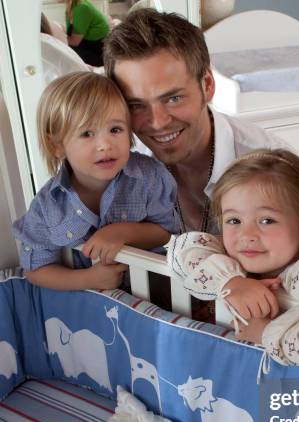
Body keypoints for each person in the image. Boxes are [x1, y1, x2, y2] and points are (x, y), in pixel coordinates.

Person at [167, 149, 299, 374]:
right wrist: (230, 282)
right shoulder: (227, 255)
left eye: (266, 220)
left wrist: (265, 333)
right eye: (234, 220)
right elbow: (180, 249)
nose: (247, 235)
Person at [103, 9, 285, 235]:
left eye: (173, 98)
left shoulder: (276, 170)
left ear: (207, 85)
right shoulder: (117, 164)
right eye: (136, 105)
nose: (157, 123)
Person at [12, 72, 177, 292]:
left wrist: (121, 233)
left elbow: (168, 233)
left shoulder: (149, 177)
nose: (105, 144)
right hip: (90, 306)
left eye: (115, 129)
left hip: (158, 298)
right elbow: (35, 269)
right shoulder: (48, 207)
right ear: (56, 145)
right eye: (87, 133)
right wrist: (88, 280)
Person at [65, 0, 110, 67]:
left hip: (99, 51)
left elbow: (74, 42)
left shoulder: (81, 7)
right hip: (89, 43)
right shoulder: (72, 6)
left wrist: (57, 37)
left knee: (68, 52)